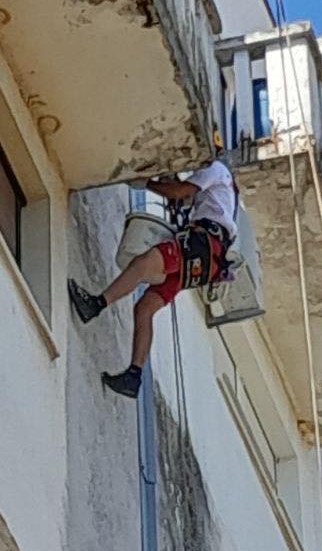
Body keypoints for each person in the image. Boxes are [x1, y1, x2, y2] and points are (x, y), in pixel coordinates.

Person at [68, 158, 239, 398]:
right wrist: (168, 182)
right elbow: (183, 196)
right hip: (206, 262)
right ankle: (134, 376)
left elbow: (180, 192)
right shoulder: (223, 192)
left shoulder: (215, 168)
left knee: (142, 264)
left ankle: (95, 304)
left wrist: (147, 183)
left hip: (201, 245)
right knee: (145, 308)